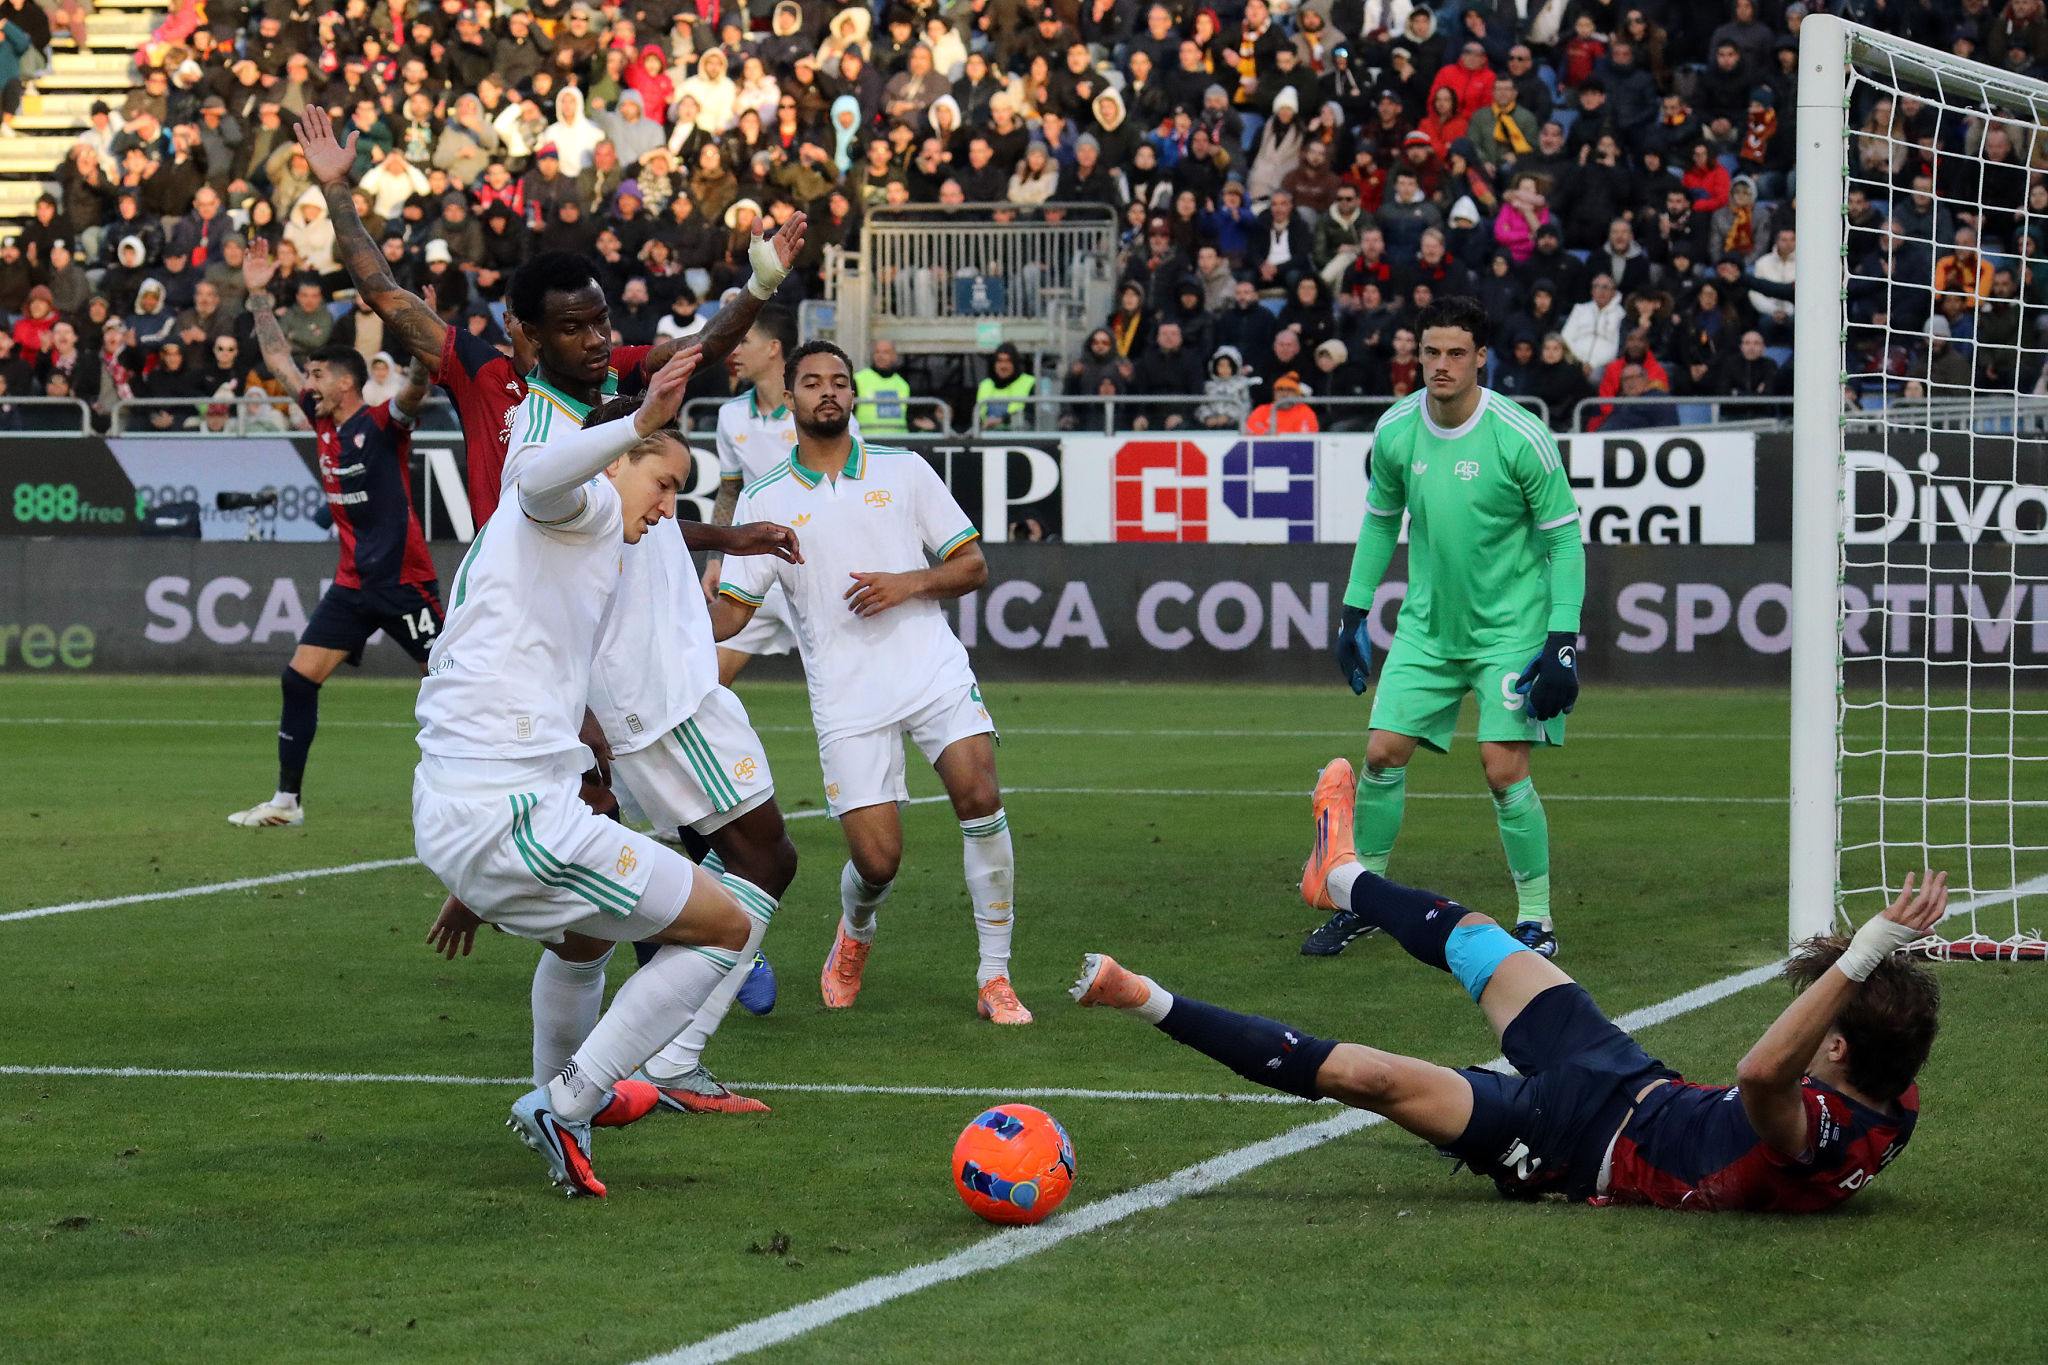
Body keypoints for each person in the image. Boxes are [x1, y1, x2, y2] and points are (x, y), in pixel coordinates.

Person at [1074, 791, 1947, 1211]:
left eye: (1823, 1019)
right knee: (1480, 938)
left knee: (1372, 1077)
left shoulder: (1817, 1134)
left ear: (1836, 1050)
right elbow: (1845, 1046)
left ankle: (1144, 997)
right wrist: (1877, 967)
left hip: (1570, 1144)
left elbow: (1760, 1072)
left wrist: (1860, 954)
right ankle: (1337, 875)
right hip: (1627, 1073)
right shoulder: (1895, 1095)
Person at [414, 301, 781, 1197]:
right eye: (663, 485)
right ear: (614, 461)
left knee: (586, 937)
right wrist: (638, 417)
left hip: (477, 807)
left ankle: (562, 1099)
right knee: (727, 925)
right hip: (509, 813)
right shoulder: (556, 504)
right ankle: (571, 1099)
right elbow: (544, 474)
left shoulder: (563, 556)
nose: (667, 507)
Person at [714, 341, 1029, 1025]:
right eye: (812, 382)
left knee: (980, 796)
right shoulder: (765, 500)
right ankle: (855, 930)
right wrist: (657, 612)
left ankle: (995, 974)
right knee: (878, 861)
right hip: (846, 693)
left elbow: (972, 566)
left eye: (839, 381)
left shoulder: (904, 469)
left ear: (854, 395)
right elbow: (731, 613)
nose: (828, 391)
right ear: (789, 400)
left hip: (930, 668)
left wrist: (907, 582)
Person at [294, 105, 788, 525]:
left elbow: (701, 347)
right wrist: (335, 187)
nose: (596, 339)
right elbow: (382, 292)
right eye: (572, 326)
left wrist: (758, 287)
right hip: (510, 586)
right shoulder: (479, 371)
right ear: (520, 325)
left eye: (599, 321)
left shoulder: (610, 369)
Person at [1312, 295, 1583, 959]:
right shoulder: (1397, 429)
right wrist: (1353, 610)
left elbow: (1565, 540)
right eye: (1430, 351)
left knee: (1502, 769)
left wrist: (1562, 641)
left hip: (1510, 630)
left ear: (1480, 358)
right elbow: (1381, 520)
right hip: (1427, 628)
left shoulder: (1520, 436)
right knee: (1382, 753)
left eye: (1456, 353)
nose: (1441, 364)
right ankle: (1365, 899)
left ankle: (1537, 919)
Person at [227, 242, 439, 829]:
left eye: (318, 375)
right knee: (298, 680)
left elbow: (415, 390)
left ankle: (513, 785)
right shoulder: (322, 421)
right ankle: (287, 802)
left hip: (403, 583)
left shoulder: (382, 424)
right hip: (353, 585)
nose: (307, 382)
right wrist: (258, 293)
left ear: (347, 384)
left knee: (454, 686)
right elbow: (277, 357)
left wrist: (424, 339)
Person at [702, 305, 860, 688]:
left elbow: (851, 488)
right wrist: (715, 559)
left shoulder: (825, 413)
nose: (734, 351)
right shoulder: (731, 416)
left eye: (744, 341)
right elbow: (730, 489)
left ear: (773, 348)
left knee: (848, 678)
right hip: (756, 565)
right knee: (704, 680)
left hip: (813, 563)